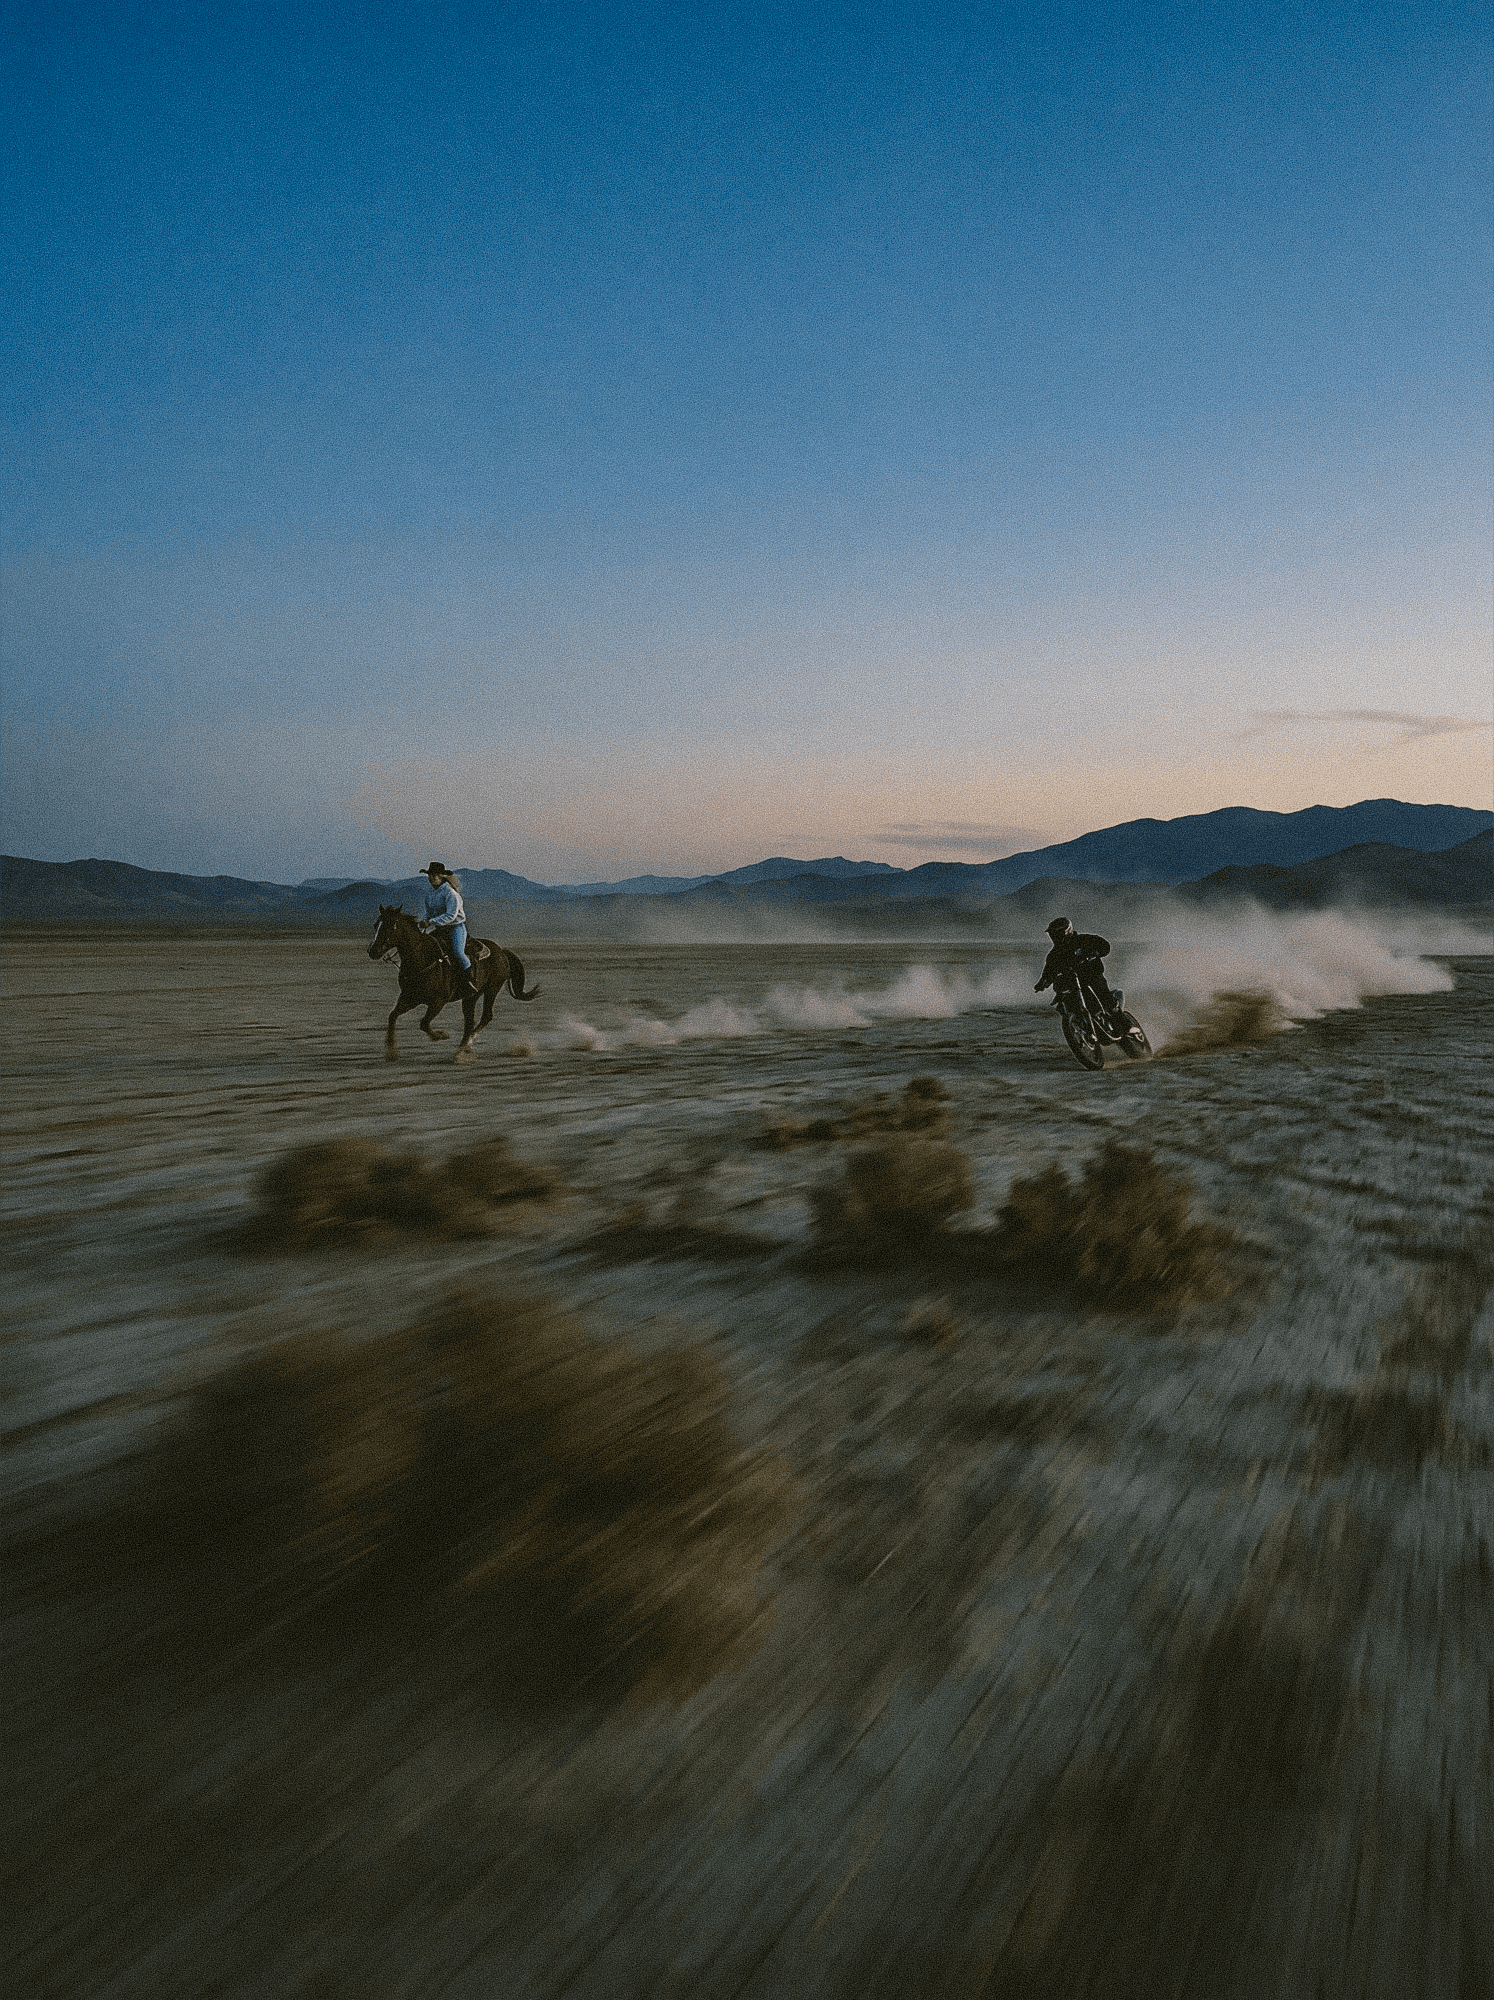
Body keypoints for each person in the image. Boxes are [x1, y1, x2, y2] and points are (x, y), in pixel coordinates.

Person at [1034, 916, 1120, 1020]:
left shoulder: (1083, 940)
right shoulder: (1054, 955)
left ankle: (1127, 1026)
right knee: (1063, 997)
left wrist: (1096, 953)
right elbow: (1049, 971)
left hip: (1091, 977)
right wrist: (1042, 983)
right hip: (1072, 983)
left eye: (1057, 933)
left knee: (1105, 998)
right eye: (1052, 934)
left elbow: (1104, 945)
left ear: (1066, 931)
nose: (1054, 936)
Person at [419, 862, 479, 998]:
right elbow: (428, 913)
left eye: (433, 875)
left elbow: (451, 915)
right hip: (440, 928)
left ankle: (469, 982)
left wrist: (431, 922)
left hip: (456, 927)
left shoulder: (450, 893)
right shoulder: (429, 893)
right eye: (429, 875)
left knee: (458, 952)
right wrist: (423, 921)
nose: (430, 878)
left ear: (441, 876)